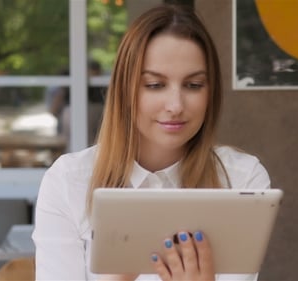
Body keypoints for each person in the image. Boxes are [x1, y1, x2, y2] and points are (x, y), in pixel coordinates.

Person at [33, 4, 271, 281]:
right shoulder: (68, 182)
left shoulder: (241, 181)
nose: (175, 105)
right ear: (125, 89)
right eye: (155, 85)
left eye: (193, 85)